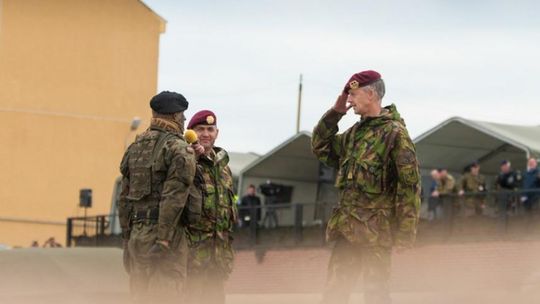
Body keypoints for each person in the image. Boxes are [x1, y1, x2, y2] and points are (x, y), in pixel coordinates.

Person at [312, 70, 421, 304]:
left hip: (376, 234)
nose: (349, 100)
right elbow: (321, 147)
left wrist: (405, 233)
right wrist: (335, 113)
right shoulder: (353, 134)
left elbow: (409, 186)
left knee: (376, 296)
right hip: (346, 230)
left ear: (370, 95)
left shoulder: (395, 134)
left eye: (353, 95)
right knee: (333, 294)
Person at [118, 91, 200, 303]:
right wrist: (164, 239)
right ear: (175, 116)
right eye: (182, 117)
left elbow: (125, 197)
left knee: (139, 295)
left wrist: (127, 238)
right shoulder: (179, 148)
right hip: (165, 236)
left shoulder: (135, 147)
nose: (183, 122)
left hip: (137, 234)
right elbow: (174, 196)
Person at [185, 110, 237, 304]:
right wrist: (192, 158)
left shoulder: (224, 169)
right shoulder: (185, 160)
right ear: (190, 132)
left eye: (210, 129)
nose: (206, 134)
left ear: (217, 132)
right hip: (193, 257)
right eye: (200, 129)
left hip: (219, 257)